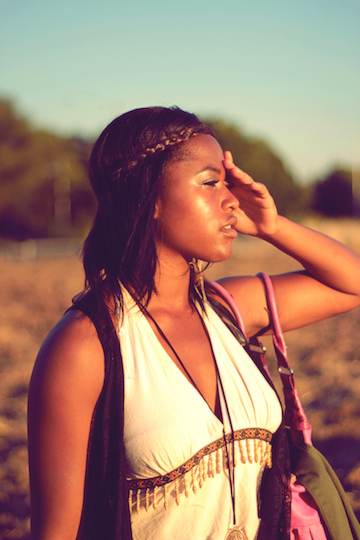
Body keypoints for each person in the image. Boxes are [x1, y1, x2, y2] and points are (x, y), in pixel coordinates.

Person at [27, 106, 360, 540]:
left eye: (227, 183)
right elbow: (57, 533)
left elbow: (350, 283)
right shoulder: (85, 346)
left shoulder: (228, 309)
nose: (231, 199)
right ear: (150, 198)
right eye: (211, 182)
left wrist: (272, 226)